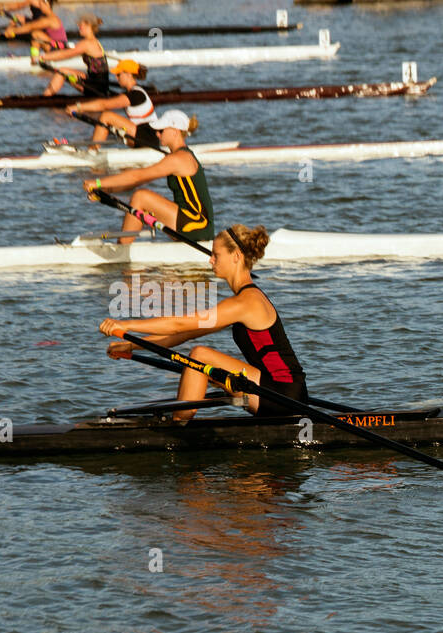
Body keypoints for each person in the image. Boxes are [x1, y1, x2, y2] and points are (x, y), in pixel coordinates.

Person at [99, 226, 308, 422]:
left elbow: (178, 324)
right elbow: (182, 334)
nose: (210, 260)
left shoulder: (247, 302)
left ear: (236, 257)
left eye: (216, 255)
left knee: (200, 355)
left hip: (284, 393)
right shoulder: (240, 302)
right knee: (199, 362)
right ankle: (179, 423)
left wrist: (126, 325)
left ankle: (177, 427)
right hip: (276, 390)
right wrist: (131, 346)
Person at [85, 109, 214, 243]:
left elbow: (137, 176)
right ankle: (123, 247)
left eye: (161, 130)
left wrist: (98, 182)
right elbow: (135, 182)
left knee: (140, 197)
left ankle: (121, 250)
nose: (157, 134)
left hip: (197, 223)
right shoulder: (180, 156)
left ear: (175, 132)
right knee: (140, 198)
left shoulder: (179, 158)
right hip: (192, 221)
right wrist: (104, 191)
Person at [66, 60, 166, 150]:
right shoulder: (132, 92)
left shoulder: (136, 94)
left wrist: (78, 107)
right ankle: (93, 149)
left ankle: (92, 151)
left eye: (118, 74)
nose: (116, 77)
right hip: (142, 135)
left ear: (129, 74)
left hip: (148, 136)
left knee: (106, 116)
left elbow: (104, 105)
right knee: (108, 123)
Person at [36, 15, 107, 98]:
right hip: (97, 81)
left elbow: (65, 54)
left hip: (96, 87)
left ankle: (45, 98)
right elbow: (72, 50)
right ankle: (46, 97)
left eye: (81, 25)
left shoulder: (87, 43)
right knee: (65, 70)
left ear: (89, 26)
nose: (79, 27)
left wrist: (43, 57)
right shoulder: (94, 41)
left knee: (62, 72)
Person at [1, 0, 67, 53]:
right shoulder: (50, 17)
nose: (40, 6)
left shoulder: (50, 20)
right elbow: (30, 26)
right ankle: (35, 59)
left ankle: (35, 60)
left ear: (47, 6)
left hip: (59, 49)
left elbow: (30, 27)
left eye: (41, 5)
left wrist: (14, 31)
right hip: (54, 46)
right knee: (36, 35)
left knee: (36, 34)